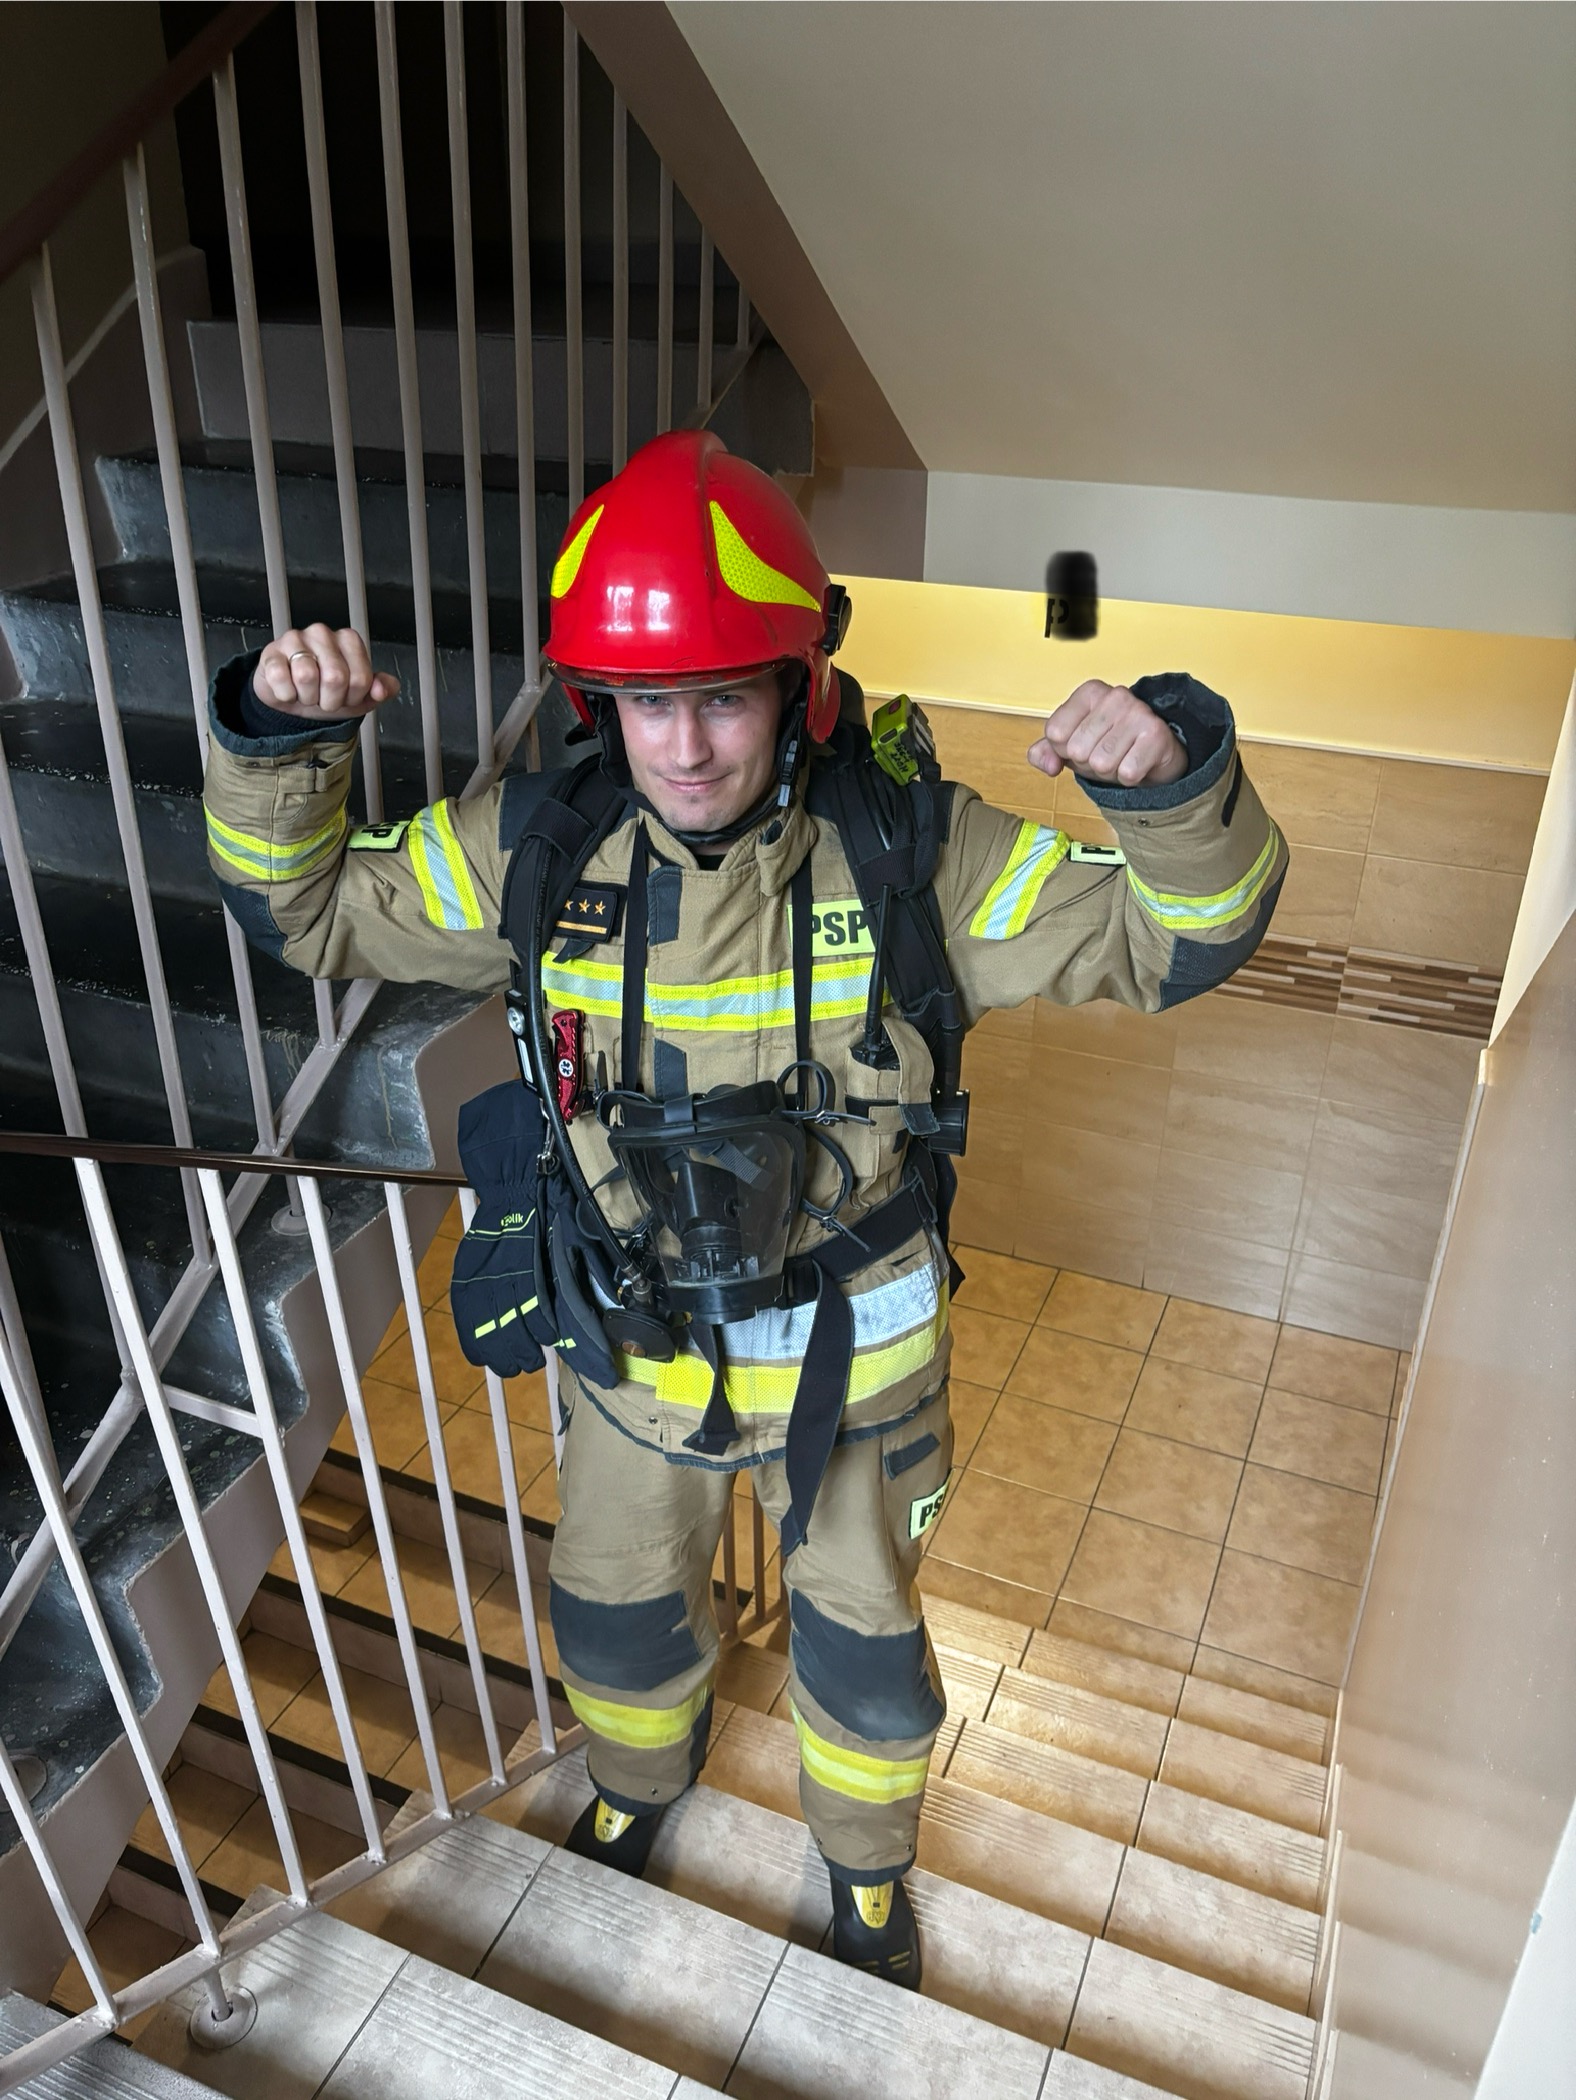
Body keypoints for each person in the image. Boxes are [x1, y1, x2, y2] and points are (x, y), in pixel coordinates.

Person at [202, 430, 1285, 1989]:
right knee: (617, 1617)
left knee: (866, 1654)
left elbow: (1177, 940)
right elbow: (299, 907)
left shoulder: (911, 849)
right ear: (600, 704)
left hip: (860, 1371)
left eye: (723, 696)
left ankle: (865, 1878)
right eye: (650, 703)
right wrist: (273, 738)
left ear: (799, 683)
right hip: (634, 1360)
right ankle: (635, 1791)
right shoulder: (536, 844)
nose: (688, 747)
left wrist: (1169, 781)